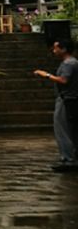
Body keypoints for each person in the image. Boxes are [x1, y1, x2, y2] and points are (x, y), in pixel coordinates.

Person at [34, 38, 78, 172]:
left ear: (63, 49)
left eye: (56, 48)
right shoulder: (71, 62)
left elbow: (63, 80)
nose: (54, 51)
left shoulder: (69, 63)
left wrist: (45, 75)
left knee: (62, 128)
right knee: (69, 128)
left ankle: (68, 158)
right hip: (69, 98)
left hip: (66, 98)